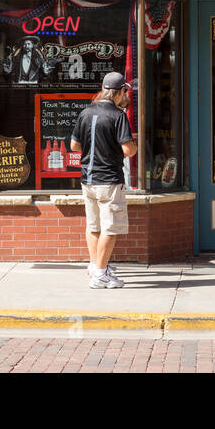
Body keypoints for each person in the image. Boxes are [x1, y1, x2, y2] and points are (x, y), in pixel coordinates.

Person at [70, 72, 136, 288]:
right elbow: (128, 150)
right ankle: (100, 274)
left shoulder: (85, 112)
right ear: (119, 92)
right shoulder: (118, 116)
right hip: (109, 180)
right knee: (110, 228)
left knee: (93, 225)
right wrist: (131, 146)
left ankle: (96, 266)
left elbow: (74, 146)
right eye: (124, 91)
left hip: (87, 180)